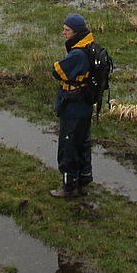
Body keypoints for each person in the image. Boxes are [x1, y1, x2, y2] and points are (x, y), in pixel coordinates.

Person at [50, 13, 96, 198]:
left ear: (76, 32)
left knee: (68, 147)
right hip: (85, 107)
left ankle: (68, 187)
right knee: (83, 144)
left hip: (73, 108)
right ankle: (83, 182)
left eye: (66, 30)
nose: (63, 33)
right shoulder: (90, 47)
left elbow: (57, 71)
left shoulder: (77, 54)